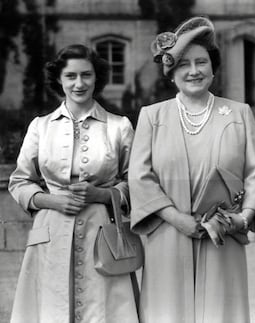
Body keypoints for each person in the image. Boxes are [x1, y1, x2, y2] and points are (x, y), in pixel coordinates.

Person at [128, 16, 255, 323]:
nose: (194, 71)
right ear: (171, 72)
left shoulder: (239, 113)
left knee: (222, 314)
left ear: (213, 67)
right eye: (183, 64)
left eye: (201, 62)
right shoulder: (152, 116)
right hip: (167, 235)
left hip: (223, 236)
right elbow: (139, 176)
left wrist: (242, 219)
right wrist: (175, 218)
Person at [8, 44, 139, 323]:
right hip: (50, 233)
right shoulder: (40, 127)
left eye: (86, 75)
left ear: (97, 78)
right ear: (59, 79)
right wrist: (50, 200)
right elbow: (19, 181)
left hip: (102, 235)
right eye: (70, 76)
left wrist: (102, 195)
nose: (79, 84)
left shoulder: (120, 126)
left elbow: (137, 182)